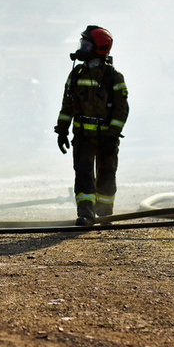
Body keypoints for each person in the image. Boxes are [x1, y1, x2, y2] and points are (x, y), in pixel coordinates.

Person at [55, 25, 129, 225]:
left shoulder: (114, 77)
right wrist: (61, 130)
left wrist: (112, 135)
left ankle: (104, 214)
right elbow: (67, 106)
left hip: (106, 138)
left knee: (106, 176)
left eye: (86, 44)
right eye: (82, 43)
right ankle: (86, 214)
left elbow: (122, 110)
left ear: (100, 47)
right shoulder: (76, 74)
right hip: (82, 137)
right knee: (83, 175)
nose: (82, 48)